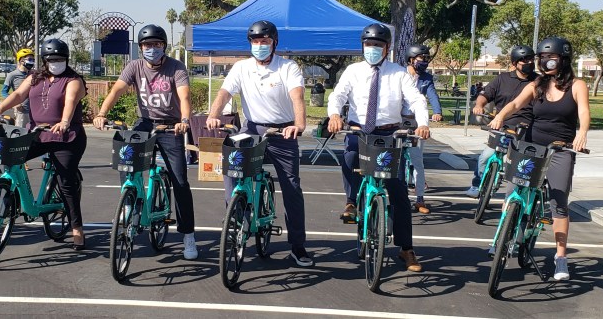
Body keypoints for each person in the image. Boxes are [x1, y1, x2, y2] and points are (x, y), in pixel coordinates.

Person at [206, 20, 313, 267]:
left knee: (292, 188)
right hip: (251, 127)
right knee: (230, 162)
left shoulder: (288, 67)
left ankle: (298, 246)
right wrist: (214, 115)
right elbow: (224, 93)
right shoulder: (241, 68)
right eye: (255, 41)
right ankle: (235, 213)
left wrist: (299, 124)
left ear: (274, 43)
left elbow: (297, 96)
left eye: (264, 41)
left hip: (283, 131)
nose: (260, 45)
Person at [327, 23, 431, 272]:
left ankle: (406, 250)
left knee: (399, 195)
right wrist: (334, 115)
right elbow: (338, 95)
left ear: (387, 48)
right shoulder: (352, 71)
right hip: (358, 130)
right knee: (350, 156)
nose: (372, 49)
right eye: (369, 44)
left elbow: (416, 99)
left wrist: (423, 123)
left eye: (378, 45)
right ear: (363, 46)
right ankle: (351, 202)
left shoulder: (398, 74)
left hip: (388, 135)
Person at [92, 24, 197, 260]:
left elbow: (184, 95)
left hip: (171, 126)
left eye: (157, 45)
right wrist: (101, 114)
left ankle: (188, 235)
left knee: (180, 181)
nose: (152, 49)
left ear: (164, 46)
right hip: (145, 122)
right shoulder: (134, 66)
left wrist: (184, 119)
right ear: (141, 48)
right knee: (126, 158)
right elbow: (117, 90)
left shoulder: (176, 68)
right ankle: (129, 203)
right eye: (148, 45)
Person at [488, 37, 589, 281]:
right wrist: (500, 116)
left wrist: (582, 133)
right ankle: (502, 237)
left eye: (550, 57)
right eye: (542, 58)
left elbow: (584, 112)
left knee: (558, 203)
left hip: (560, 148)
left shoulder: (577, 85)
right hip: (531, 145)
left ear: (563, 59)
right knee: (512, 190)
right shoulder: (536, 84)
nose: (545, 61)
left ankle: (561, 257)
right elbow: (515, 103)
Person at [0, 39, 88, 250]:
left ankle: (77, 228)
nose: (55, 62)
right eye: (51, 59)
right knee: (12, 157)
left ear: (66, 59)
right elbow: (17, 95)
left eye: (60, 59)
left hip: (67, 137)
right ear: (44, 60)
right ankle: (13, 198)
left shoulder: (74, 79)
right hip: (38, 134)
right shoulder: (34, 77)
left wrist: (64, 122)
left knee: (65, 183)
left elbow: (70, 101)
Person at [465, 45, 538, 197]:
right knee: (486, 156)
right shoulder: (502, 79)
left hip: (526, 128)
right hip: (501, 125)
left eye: (531, 59)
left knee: (522, 165)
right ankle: (477, 184)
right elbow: (485, 95)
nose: (528, 63)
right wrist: (479, 105)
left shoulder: (538, 81)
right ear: (514, 63)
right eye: (523, 60)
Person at [404, 44, 442, 214]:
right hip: (397, 122)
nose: (425, 62)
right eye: (422, 58)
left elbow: (432, 95)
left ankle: (420, 199)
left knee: (417, 161)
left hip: (417, 123)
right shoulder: (399, 75)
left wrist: (438, 112)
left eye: (427, 59)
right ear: (411, 59)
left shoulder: (426, 78)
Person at [2, 48, 35, 128]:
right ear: (21, 60)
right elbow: (4, 92)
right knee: (22, 133)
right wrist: (14, 104)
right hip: (22, 111)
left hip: (34, 110)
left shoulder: (34, 74)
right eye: (29, 59)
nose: (32, 62)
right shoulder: (12, 75)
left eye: (33, 60)